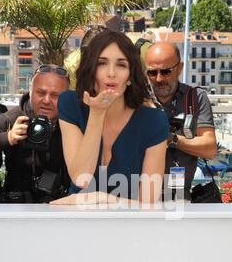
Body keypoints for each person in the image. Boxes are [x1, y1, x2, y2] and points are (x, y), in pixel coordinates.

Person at [51, 30, 169, 206]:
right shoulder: (70, 104)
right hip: (79, 222)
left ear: (130, 75)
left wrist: (104, 199)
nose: (111, 73)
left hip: (129, 224)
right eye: (102, 63)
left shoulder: (154, 121)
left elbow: (149, 203)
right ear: (90, 69)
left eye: (121, 65)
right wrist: (97, 112)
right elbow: (80, 178)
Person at [0, 64, 70, 202]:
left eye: (55, 95)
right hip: (17, 203)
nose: (46, 101)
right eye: (40, 93)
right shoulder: (13, 119)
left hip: (61, 203)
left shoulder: (72, 122)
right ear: (30, 91)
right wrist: (7, 138)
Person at [145, 41, 217, 200]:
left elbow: (210, 148)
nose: (158, 79)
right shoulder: (137, 100)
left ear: (180, 68)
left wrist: (172, 139)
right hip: (139, 193)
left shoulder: (195, 98)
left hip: (179, 194)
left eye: (165, 71)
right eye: (152, 72)